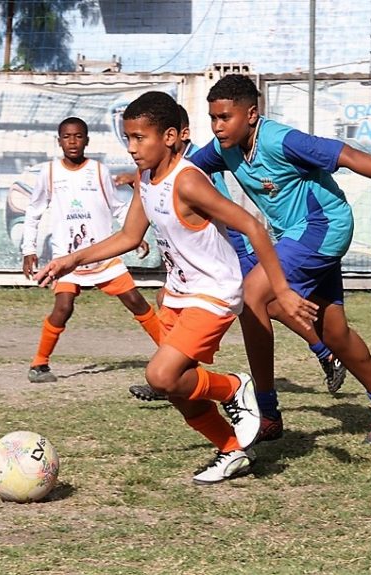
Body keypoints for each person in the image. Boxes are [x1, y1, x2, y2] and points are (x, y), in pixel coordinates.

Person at [36, 92, 318, 483]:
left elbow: (252, 227)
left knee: (161, 376)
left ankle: (235, 387)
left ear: (170, 137)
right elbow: (130, 236)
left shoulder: (188, 182)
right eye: (128, 139)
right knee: (178, 390)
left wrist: (283, 290)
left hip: (214, 293)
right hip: (179, 294)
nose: (132, 148)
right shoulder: (146, 179)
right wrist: (72, 259)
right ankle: (232, 450)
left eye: (139, 138)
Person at [189, 74, 371, 445]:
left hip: (323, 226)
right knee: (333, 331)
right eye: (213, 118)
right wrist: (148, 178)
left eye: (225, 118)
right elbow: (188, 170)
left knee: (252, 298)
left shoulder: (282, 139)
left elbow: (348, 156)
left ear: (251, 114)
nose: (217, 127)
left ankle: (266, 414)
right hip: (297, 236)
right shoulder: (224, 149)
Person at [127, 105, 347, 421]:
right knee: (262, 308)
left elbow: (215, 211)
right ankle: (171, 373)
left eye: (141, 137)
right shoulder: (168, 165)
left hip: (232, 252)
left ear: (177, 134)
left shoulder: (192, 166)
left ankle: (183, 377)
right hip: (204, 262)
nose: (136, 146)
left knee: (265, 306)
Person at [22, 116, 161, 383]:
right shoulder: (49, 172)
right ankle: (39, 364)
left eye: (78, 136)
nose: (72, 142)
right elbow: (34, 211)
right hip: (67, 259)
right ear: (59, 141)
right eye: (67, 137)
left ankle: (171, 353)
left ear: (87, 140)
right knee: (63, 307)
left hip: (103, 256)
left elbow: (117, 206)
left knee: (135, 301)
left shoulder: (98, 170)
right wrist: (29, 248)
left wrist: (135, 235)